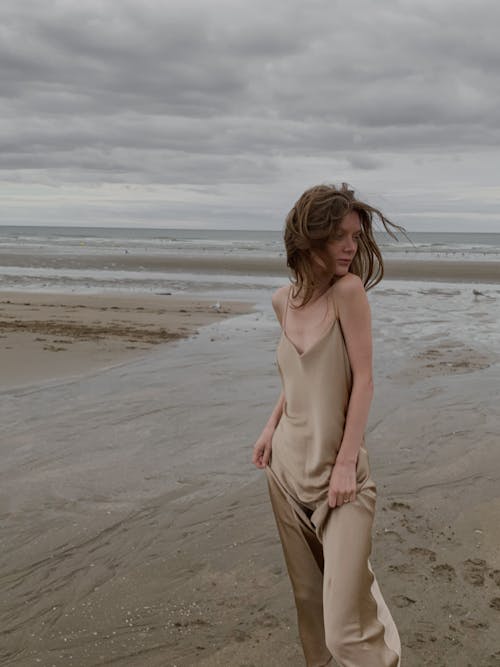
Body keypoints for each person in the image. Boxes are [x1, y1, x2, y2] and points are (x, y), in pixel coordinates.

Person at [252, 183, 406, 667]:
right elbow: (297, 379)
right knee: (310, 611)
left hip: (340, 482)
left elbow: (364, 382)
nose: (350, 247)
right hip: (284, 470)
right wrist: (268, 427)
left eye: (355, 237)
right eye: (340, 236)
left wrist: (345, 466)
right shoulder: (282, 301)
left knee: (347, 634)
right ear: (309, 237)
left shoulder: (349, 292)